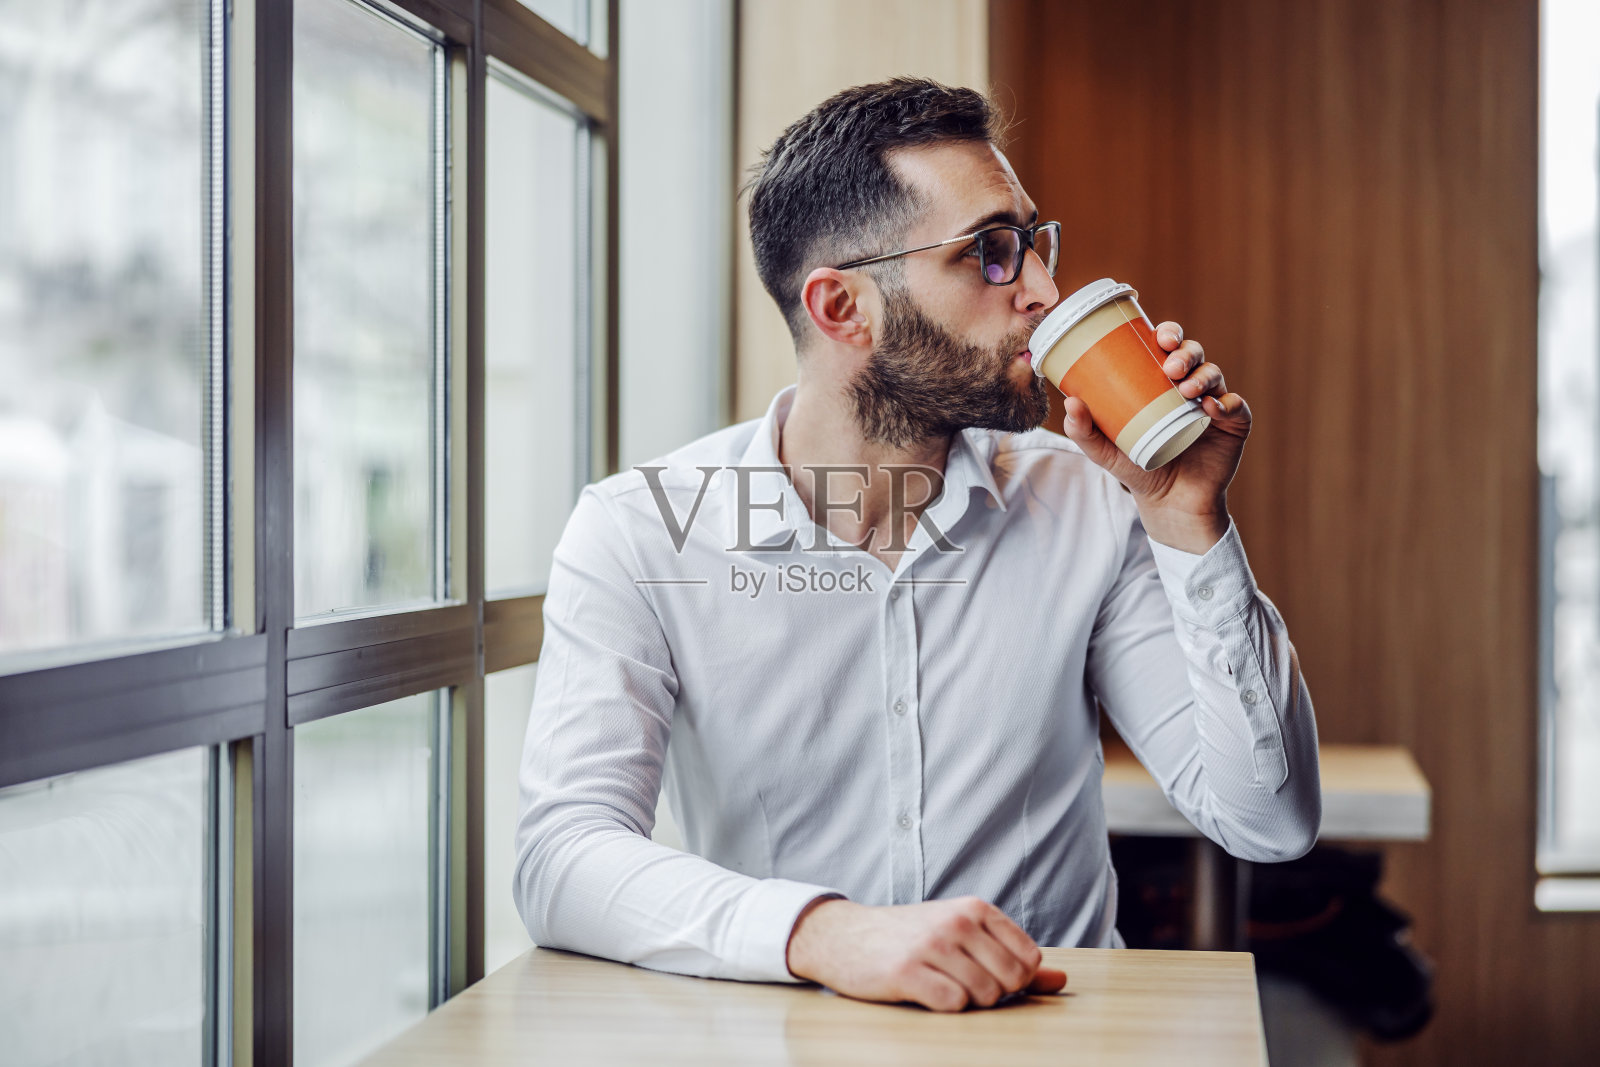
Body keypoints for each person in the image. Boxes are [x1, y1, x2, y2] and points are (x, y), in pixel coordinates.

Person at [513, 77, 1320, 1013]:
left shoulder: (1091, 500)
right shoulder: (640, 531)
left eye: (1031, 241)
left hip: (1051, 1039)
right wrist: (824, 932)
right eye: (990, 253)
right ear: (841, 307)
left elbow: (1271, 821)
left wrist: (1187, 519)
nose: (1045, 292)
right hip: (793, 1036)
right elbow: (561, 855)